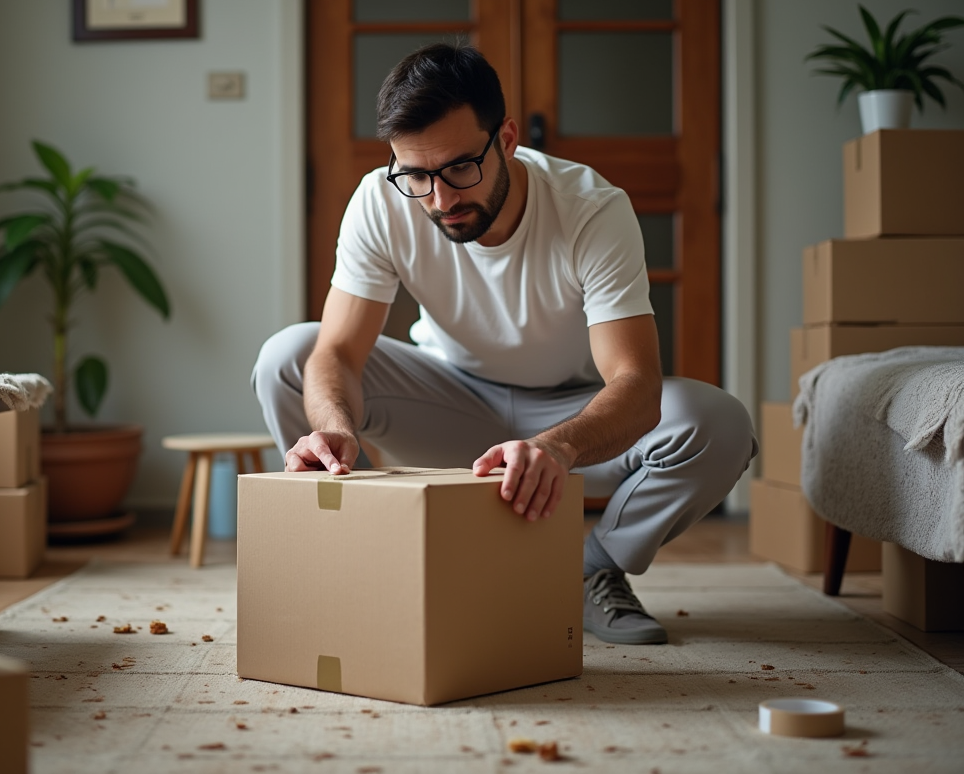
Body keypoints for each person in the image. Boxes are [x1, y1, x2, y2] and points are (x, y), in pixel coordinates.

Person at [252, 43, 757, 645]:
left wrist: (558, 447)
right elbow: (336, 353)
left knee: (720, 424)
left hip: (572, 417)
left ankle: (592, 570)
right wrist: (334, 427)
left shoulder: (591, 209)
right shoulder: (381, 201)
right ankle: (352, 560)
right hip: (448, 401)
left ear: (508, 138)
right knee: (288, 356)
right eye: (415, 173)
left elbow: (637, 384)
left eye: (460, 168)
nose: (440, 199)